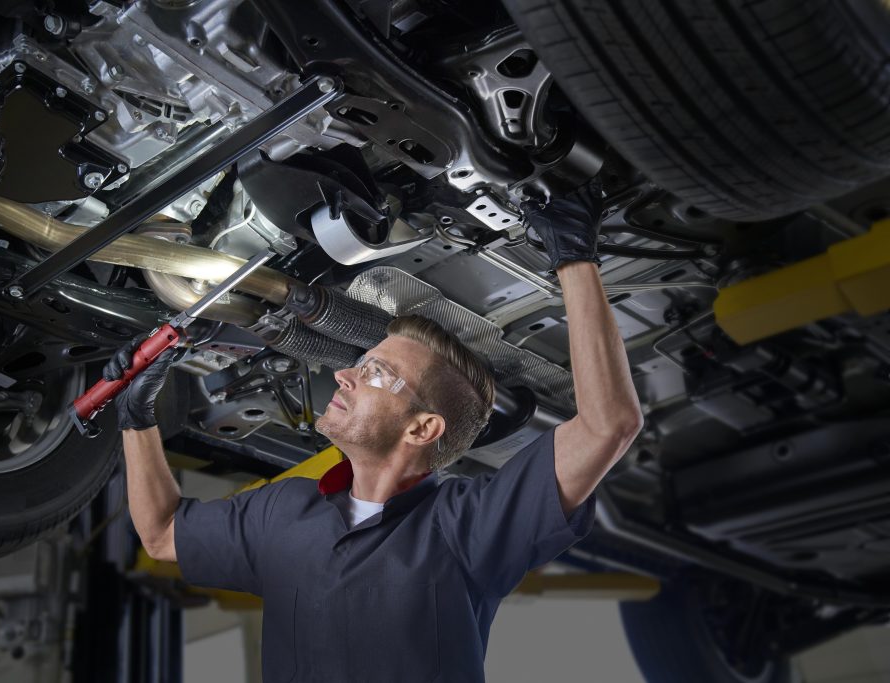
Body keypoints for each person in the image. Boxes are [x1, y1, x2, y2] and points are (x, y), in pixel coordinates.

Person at [109, 177, 643, 682]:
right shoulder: (283, 513)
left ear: (422, 428)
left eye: (376, 373)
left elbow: (609, 425)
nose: (344, 374)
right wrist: (136, 418)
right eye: (361, 364)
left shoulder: (466, 527)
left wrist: (574, 255)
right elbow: (163, 534)